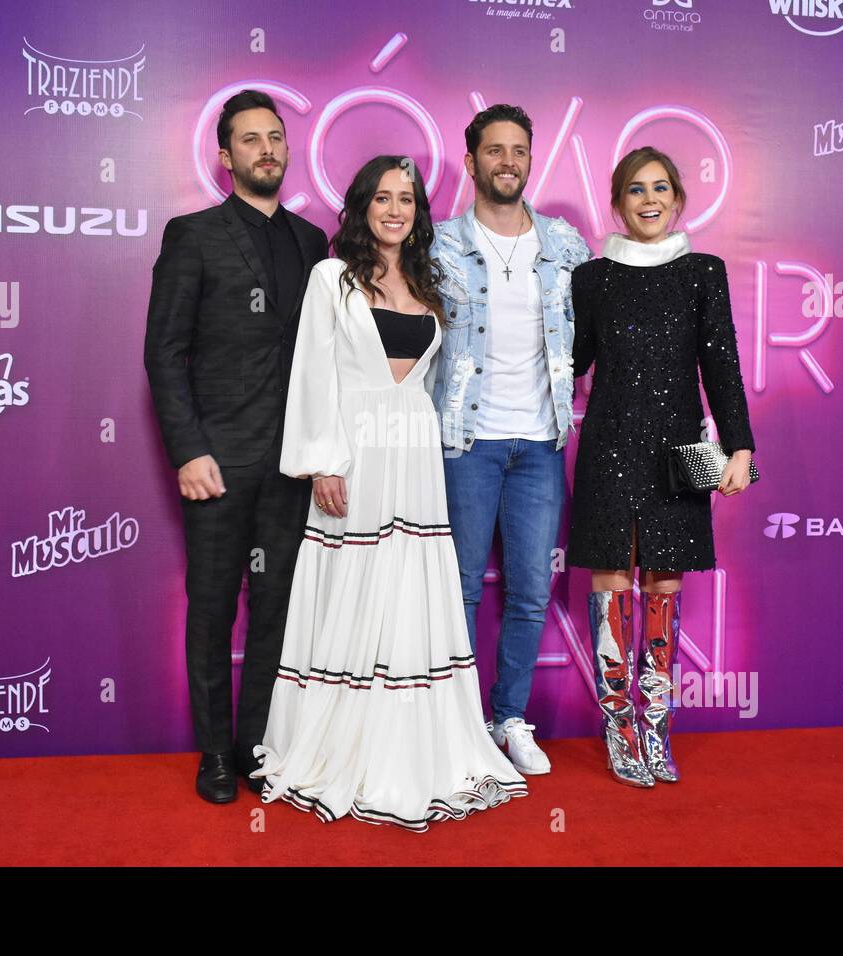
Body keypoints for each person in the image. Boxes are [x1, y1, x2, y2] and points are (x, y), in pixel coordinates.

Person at [251, 155, 526, 831]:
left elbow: (435, 386)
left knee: (412, 591)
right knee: (353, 587)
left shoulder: (432, 282)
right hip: (356, 453)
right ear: (361, 207)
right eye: (383, 198)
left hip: (415, 454)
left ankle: (415, 747)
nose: (395, 209)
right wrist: (324, 461)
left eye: (407, 199)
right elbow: (313, 373)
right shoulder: (330, 278)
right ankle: (346, 744)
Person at [143, 90, 329, 804]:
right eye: (250, 140)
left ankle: (257, 748)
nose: (267, 150)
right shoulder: (192, 235)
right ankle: (215, 753)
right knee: (214, 607)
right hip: (216, 464)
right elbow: (165, 353)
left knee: (278, 609)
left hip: (292, 465)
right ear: (225, 158)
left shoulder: (313, 244)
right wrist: (189, 450)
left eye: (276, 137)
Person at [569, 146, 755, 787]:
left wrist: (740, 448)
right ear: (617, 204)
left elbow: (721, 365)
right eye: (634, 190)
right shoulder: (592, 278)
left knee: (665, 583)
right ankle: (618, 729)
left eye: (660, 189)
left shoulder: (703, 271)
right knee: (612, 578)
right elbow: (571, 361)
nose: (648, 199)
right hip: (609, 445)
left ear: (677, 199)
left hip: (680, 448)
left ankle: (655, 728)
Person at [429, 105, 591, 775]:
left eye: (518, 150)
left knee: (529, 590)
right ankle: (462, 724)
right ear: (471, 162)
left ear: (530, 158)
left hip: (541, 445)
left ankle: (510, 719)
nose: (507, 161)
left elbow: (594, 338)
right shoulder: (435, 245)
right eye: (493, 150)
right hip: (465, 443)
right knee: (460, 588)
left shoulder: (566, 244)